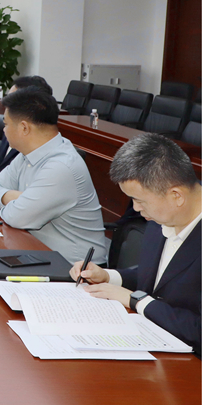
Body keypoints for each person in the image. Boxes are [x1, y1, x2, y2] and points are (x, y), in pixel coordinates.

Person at [70, 133, 200, 355]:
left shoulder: (161, 215)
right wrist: (108, 276)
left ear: (176, 195)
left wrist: (136, 301)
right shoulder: (161, 216)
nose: (136, 209)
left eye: (139, 200)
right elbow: (162, 277)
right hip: (151, 340)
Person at [0, 87, 108, 264]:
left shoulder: (61, 167)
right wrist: (16, 198)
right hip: (37, 251)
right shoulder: (26, 155)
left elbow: (16, 218)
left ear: (24, 128)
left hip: (75, 269)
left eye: (6, 124)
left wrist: (18, 204)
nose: (4, 130)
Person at [0, 75, 54, 194]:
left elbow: (28, 197)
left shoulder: (39, 152)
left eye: (11, 101)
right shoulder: (11, 130)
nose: (5, 105)